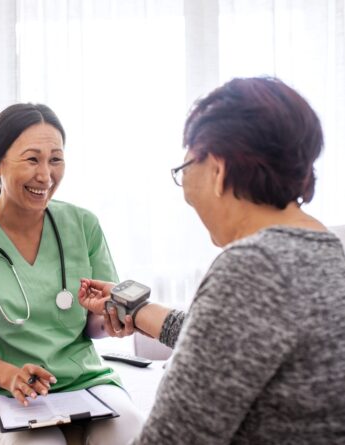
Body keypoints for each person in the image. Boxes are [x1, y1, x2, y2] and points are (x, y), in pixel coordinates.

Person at [78, 77, 345, 444]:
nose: (185, 186)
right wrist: (135, 310)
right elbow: (233, 344)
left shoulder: (253, 266)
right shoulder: (327, 250)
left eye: (185, 168)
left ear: (218, 170)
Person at [0, 103, 144, 445]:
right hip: (0, 392)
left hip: (85, 383)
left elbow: (93, 325)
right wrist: (10, 376)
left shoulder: (82, 224)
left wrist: (111, 322)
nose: (46, 175)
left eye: (55, 159)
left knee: (131, 431)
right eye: (32, 159)